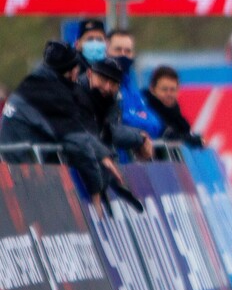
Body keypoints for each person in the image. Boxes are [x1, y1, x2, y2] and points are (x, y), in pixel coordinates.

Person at [0, 41, 116, 208]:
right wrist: (96, 189)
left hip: (21, 168)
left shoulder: (41, 83)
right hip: (24, 172)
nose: (78, 70)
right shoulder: (48, 93)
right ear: (69, 70)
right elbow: (75, 139)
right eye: (76, 67)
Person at [105, 29, 163, 154]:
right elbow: (115, 122)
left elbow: (155, 124)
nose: (123, 54)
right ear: (107, 50)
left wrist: (134, 130)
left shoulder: (130, 87)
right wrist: (138, 130)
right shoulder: (103, 85)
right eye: (118, 49)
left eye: (128, 51)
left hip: (131, 164)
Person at [143, 65, 204, 147]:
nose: (169, 94)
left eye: (173, 90)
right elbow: (165, 134)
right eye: (164, 90)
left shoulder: (177, 117)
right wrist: (190, 140)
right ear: (152, 89)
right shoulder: (145, 110)